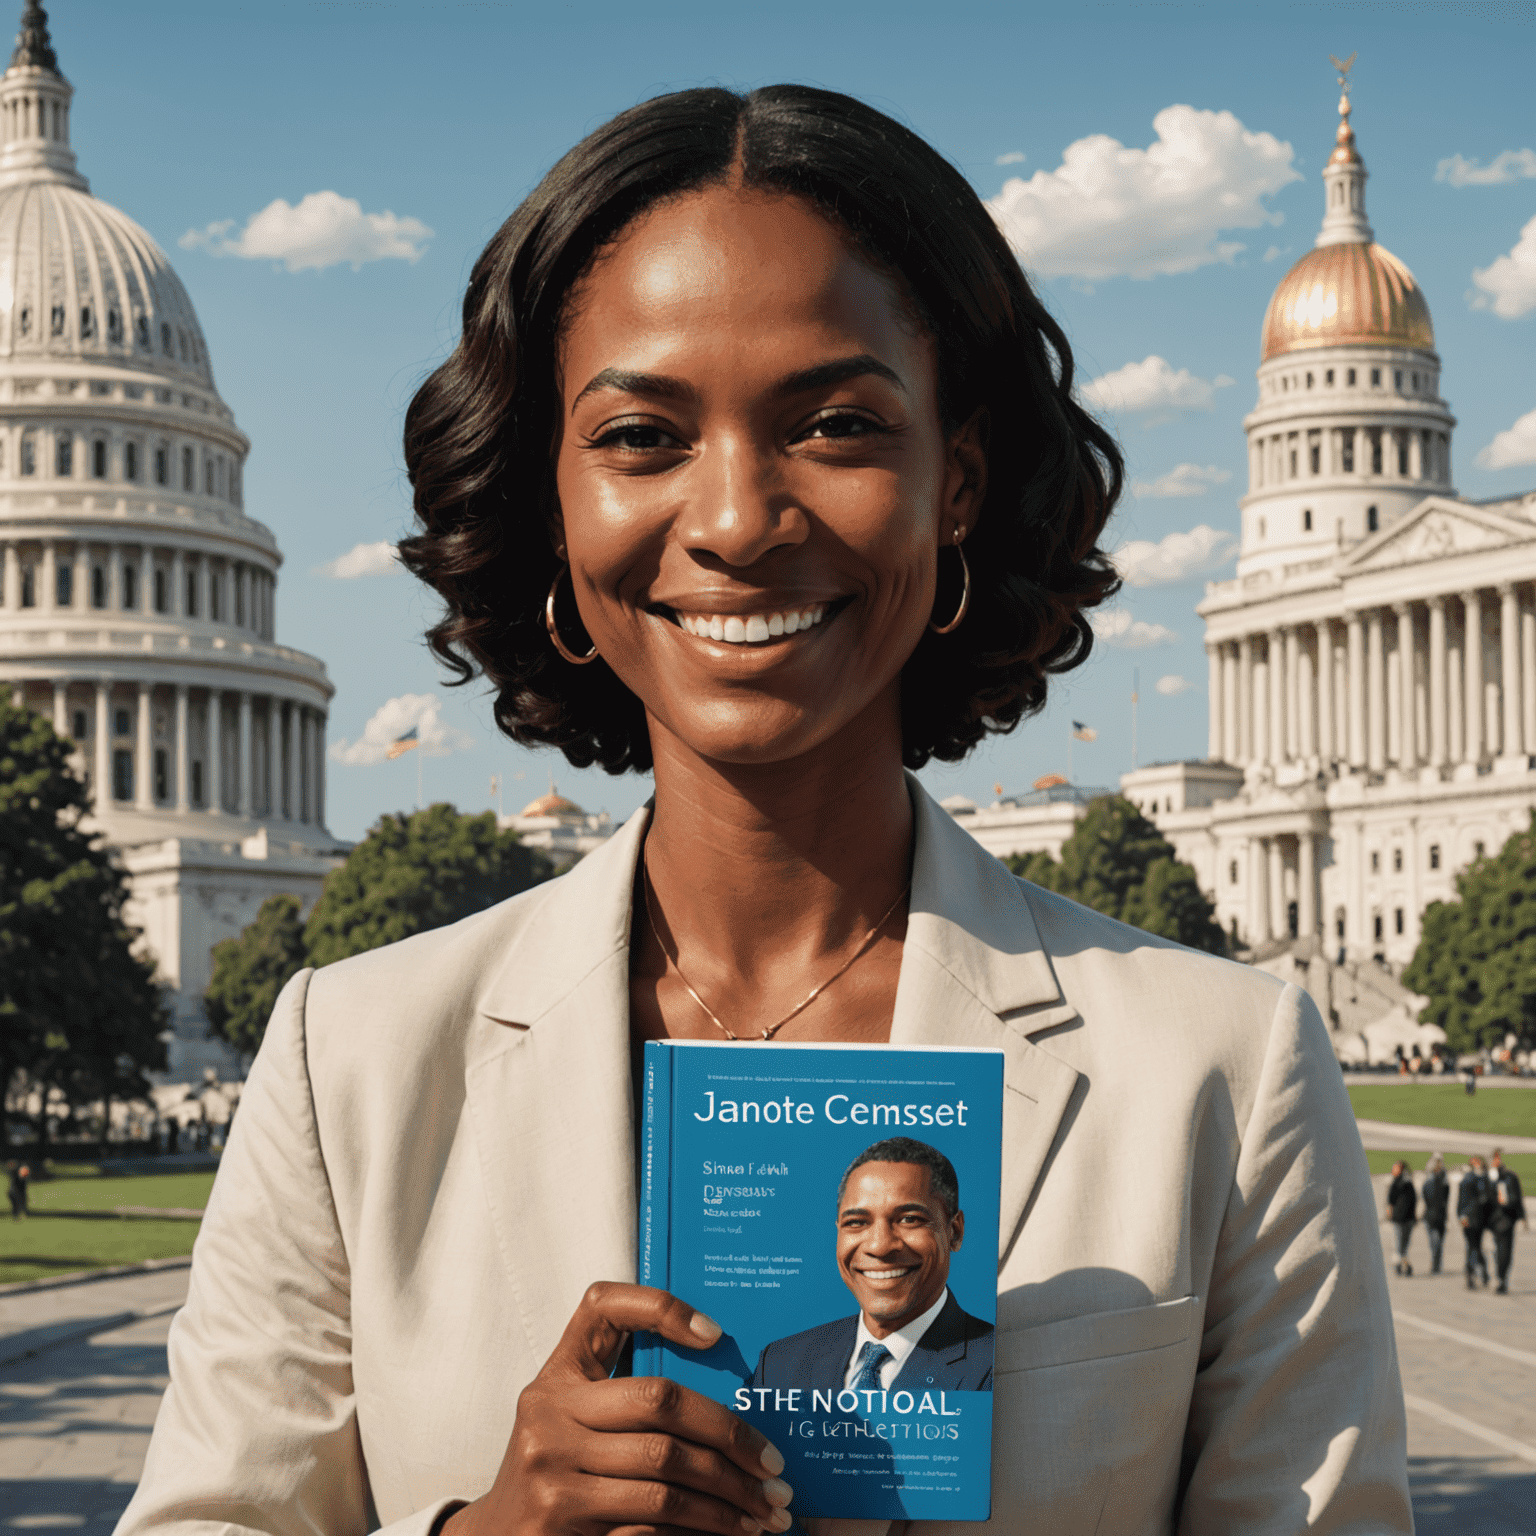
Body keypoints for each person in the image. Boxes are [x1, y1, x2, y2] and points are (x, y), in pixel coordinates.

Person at [114, 85, 1411, 1536]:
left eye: (836, 424)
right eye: (641, 436)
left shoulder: (1222, 1079)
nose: (736, 520)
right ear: (551, 499)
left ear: (957, 482)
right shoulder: (350, 1064)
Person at [751, 1137, 993, 1392]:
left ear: (954, 1231)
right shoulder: (780, 1364)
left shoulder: (995, 1364)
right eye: (856, 1222)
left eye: (909, 1219)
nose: (879, 1246)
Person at [1488, 1148, 1529, 1295]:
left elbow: (1516, 1198)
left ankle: (1501, 1277)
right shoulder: (1490, 1177)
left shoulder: (1509, 1178)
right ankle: (1499, 1276)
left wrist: (1523, 1216)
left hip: (1506, 1220)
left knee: (1504, 1250)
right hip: (1494, 1220)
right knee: (1499, 1250)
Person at [1459, 1155, 1493, 1289]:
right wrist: (1462, 1215)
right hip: (1471, 1218)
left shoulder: (1483, 1179)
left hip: (1479, 1218)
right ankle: (1473, 1273)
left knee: (1475, 1246)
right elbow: (1463, 1200)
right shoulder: (1471, 1179)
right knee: (1473, 1246)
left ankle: (1478, 1272)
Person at [1386, 1161, 1417, 1276]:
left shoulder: (1404, 1182)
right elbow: (1390, 1201)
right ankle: (1401, 1264)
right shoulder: (1399, 1182)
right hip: (1400, 1218)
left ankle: (1402, 1263)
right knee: (1399, 1243)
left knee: (1403, 1244)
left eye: (1395, 1168)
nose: (1393, 1170)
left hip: (1405, 1218)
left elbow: (1412, 1200)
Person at [1421, 1152, 1450, 1275]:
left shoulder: (1441, 1182)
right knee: (1435, 1240)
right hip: (1433, 1214)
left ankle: (1436, 1263)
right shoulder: (1432, 1181)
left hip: (1437, 1215)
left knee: (1436, 1240)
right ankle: (1436, 1263)